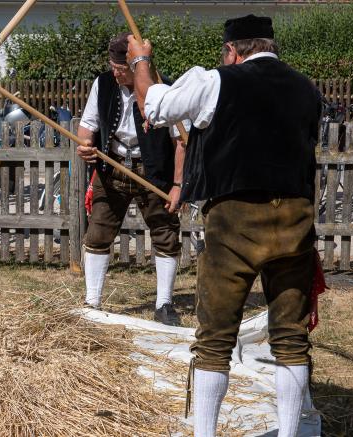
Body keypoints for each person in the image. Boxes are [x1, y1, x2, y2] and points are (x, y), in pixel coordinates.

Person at [126, 15, 322, 437]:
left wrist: (141, 62)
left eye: (225, 53)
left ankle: (206, 434)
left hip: (235, 220)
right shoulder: (308, 89)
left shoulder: (216, 80)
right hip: (295, 219)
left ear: (233, 50)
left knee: (214, 337)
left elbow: (154, 107)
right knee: (290, 337)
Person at [75, 32, 186, 326]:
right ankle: (92, 303)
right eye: (112, 65)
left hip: (154, 170)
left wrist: (177, 185)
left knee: (165, 233)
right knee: (97, 233)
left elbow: (181, 142)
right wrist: (85, 146)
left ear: (137, 64)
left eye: (121, 67)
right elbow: (87, 127)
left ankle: (164, 304)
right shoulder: (103, 84)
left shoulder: (163, 87)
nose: (115, 71)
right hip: (111, 167)